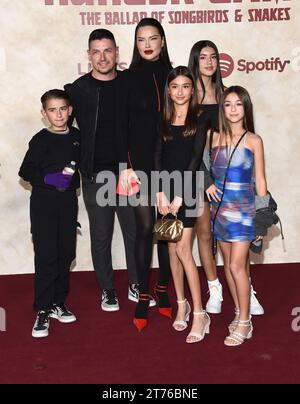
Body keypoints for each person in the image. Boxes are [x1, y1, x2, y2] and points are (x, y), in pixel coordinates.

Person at [64, 29, 139, 312]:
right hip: (95, 176)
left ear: (116, 52)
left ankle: (136, 283)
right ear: (89, 55)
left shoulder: (130, 85)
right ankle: (108, 289)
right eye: (96, 51)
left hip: (126, 174)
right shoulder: (77, 90)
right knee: (101, 235)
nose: (102, 57)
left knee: (134, 232)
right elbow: (60, 125)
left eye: (107, 50)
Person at [188, 40, 264, 315]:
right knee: (205, 233)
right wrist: (204, 179)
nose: (208, 62)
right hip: (199, 171)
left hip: (227, 176)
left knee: (234, 237)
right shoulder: (189, 95)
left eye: (213, 57)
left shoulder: (224, 93)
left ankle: (247, 289)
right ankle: (214, 286)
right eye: (203, 57)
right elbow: (191, 145)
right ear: (195, 61)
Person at [119, 18, 172, 331]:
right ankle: (142, 294)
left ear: (162, 41)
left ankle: (163, 289)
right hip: (138, 163)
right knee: (144, 228)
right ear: (136, 44)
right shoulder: (127, 79)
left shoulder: (175, 76)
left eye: (153, 38)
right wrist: (126, 166)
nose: (148, 44)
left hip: (170, 162)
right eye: (141, 39)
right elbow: (121, 127)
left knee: (166, 229)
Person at [206, 86, 267, 346]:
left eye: (238, 104)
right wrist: (207, 183)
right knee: (228, 266)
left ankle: (244, 320)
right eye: (228, 104)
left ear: (245, 108)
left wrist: (262, 219)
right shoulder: (211, 137)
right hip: (219, 210)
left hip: (244, 211)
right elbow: (202, 169)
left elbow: (261, 181)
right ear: (222, 108)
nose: (232, 109)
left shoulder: (254, 140)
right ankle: (238, 312)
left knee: (236, 266)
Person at [155, 66, 211, 343]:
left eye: (185, 86)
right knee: (171, 250)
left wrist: (180, 196)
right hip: (164, 193)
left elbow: (195, 159)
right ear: (168, 89)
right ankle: (182, 304)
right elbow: (156, 158)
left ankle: (200, 313)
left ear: (192, 89)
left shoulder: (199, 118)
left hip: (187, 191)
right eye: (174, 86)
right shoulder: (162, 118)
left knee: (184, 251)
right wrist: (160, 194)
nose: (179, 91)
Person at [19, 89, 80, 338]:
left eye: (62, 109)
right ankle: (43, 309)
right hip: (43, 205)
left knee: (66, 254)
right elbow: (25, 171)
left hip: (67, 205)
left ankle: (57, 302)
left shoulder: (77, 136)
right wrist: (50, 179)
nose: (58, 114)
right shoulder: (40, 139)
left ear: (70, 110)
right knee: (47, 257)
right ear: (44, 114)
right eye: (52, 110)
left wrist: (72, 180)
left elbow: (80, 168)